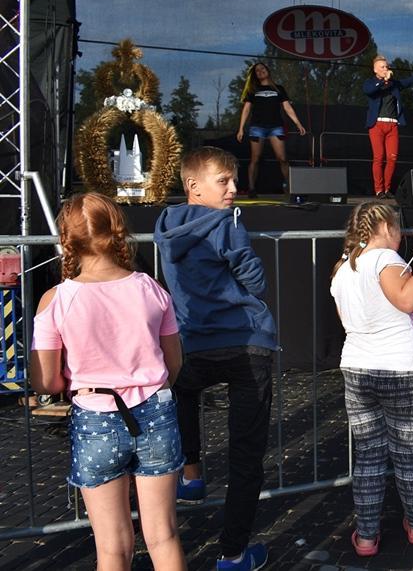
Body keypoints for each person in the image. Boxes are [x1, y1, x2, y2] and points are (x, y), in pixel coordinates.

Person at [30, 193, 186, 570]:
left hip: (95, 418)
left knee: (112, 548)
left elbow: (46, 382)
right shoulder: (150, 288)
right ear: (118, 230)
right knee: (163, 535)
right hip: (156, 411)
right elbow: (174, 363)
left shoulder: (56, 300)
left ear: (66, 239)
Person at [153, 147, 276, 571]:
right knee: (245, 456)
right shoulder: (228, 224)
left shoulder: (166, 225)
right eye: (223, 181)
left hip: (195, 344)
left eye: (233, 180)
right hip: (246, 343)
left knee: (180, 391)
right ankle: (233, 555)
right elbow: (256, 283)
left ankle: (191, 474)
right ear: (194, 185)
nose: (233, 188)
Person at [330, 202, 413, 556]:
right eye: (398, 227)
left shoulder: (343, 269)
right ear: (387, 227)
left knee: (369, 456)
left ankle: (366, 536)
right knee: (409, 454)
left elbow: (348, 321)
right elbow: (407, 300)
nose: (401, 235)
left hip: (358, 369)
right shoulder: (385, 260)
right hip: (401, 369)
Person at [363, 56, 413, 198]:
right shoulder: (370, 83)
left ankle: (387, 189)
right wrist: (383, 80)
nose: (385, 69)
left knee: (392, 158)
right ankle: (379, 190)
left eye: (386, 66)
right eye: (382, 67)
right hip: (377, 125)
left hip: (392, 124)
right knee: (379, 157)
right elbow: (369, 91)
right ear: (375, 70)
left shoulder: (394, 84)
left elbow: (410, 80)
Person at [236, 62, 307, 198]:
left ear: (267, 70)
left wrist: (298, 123)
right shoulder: (253, 89)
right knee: (255, 159)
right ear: (255, 75)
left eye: (262, 68)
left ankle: (290, 187)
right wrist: (241, 129)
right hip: (257, 127)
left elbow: (287, 107)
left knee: (283, 158)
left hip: (276, 127)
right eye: (257, 71)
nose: (260, 71)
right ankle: (251, 189)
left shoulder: (279, 89)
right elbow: (246, 109)